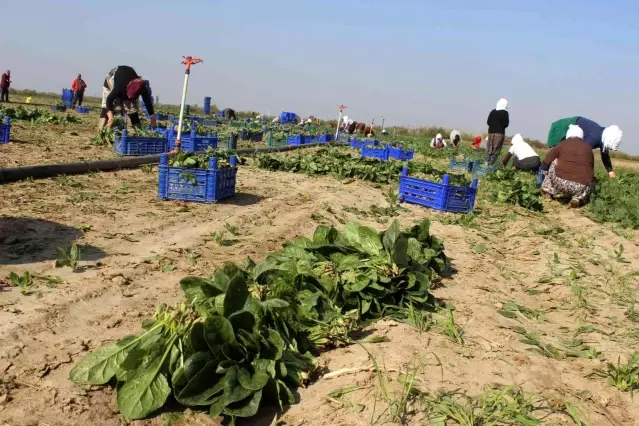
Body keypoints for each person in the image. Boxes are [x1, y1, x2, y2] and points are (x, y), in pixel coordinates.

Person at [546, 116, 622, 178]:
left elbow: (605, 155)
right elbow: (578, 154)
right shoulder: (594, 138)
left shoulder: (603, 137)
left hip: (572, 131)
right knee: (555, 157)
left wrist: (610, 171)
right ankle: (546, 176)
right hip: (562, 129)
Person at [541, 125, 594, 208]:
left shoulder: (562, 144)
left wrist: (543, 176)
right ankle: (578, 198)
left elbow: (546, 161)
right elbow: (591, 170)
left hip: (560, 182)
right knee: (587, 173)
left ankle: (548, 192)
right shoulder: (588, 148)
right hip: (580, 187)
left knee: (553, 161)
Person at [99, 66, 155, 130]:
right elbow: (109, 100)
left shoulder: (142, 87)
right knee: (106, 108)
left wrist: (153, 120)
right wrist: (111, 118)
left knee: (132, 109)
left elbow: (148, 102)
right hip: (111, 81)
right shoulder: (119, 88)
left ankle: (137, 132)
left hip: (126, 78)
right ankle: (100, 131)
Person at [486, 98, 510, 165]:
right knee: (496, 149)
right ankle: (490, 165)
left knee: (489, 148)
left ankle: (486, 163)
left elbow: (488, 122)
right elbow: (506, 124)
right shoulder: (505, 113)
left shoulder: (493, 111)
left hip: (491, 133)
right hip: (499, 133)